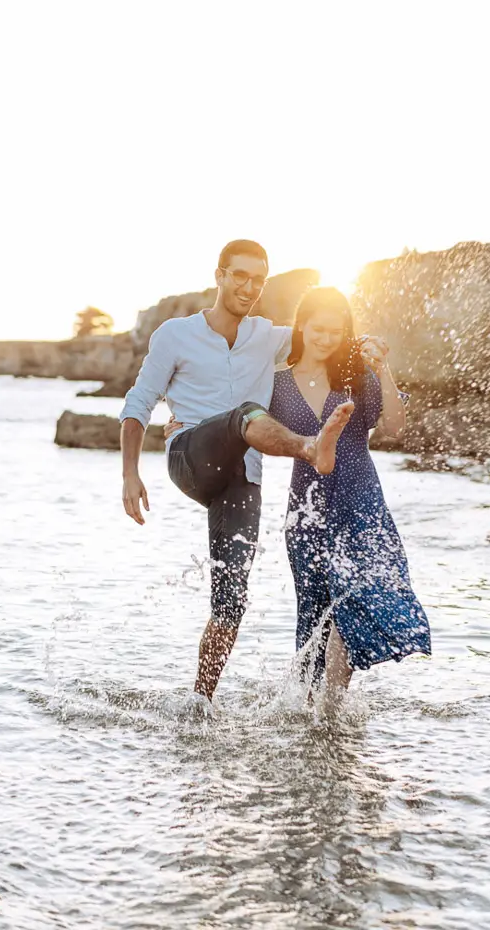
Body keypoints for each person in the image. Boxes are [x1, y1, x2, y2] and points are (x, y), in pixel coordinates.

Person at [119, 241, 354, 715]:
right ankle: (310, 449)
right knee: (245, 413)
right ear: (220, 275)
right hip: (191, 456)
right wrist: (130, 474)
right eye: (240, 276)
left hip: (241, 476)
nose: (249, 287)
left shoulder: (269, 338)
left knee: (232, 600)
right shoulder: (175, 335)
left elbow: (322, 335)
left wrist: (367, 348)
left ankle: (199, 705)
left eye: (258, 280)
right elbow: (139, 402)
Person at [268, 287, 431, 709]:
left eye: (335, 331)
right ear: (302, 325)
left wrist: (384, 369)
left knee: (354, 595)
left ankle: (333, 706)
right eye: (318, 329)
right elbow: (245, 424)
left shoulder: (357, 376)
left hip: (361, 497)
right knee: (314, 605)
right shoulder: (277, 384)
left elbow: (396, 426)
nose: (326, 338)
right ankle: (301, 703)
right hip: (306, 504)